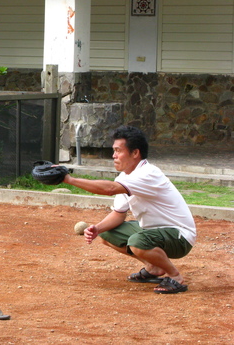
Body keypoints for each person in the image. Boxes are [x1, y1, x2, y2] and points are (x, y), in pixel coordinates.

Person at [62, 125, 196, 294]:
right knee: (107, 233)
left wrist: (68, 179)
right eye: (114, 150)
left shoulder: (148, 173)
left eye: (118, 151)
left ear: (135, 153)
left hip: (179, 236)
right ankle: (153, 268)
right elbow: (119, 213)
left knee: (137, 242)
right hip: (153, 230)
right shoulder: (125, 177)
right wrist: (97, 228)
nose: (114, 156)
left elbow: (109, 189)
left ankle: (175, 277)